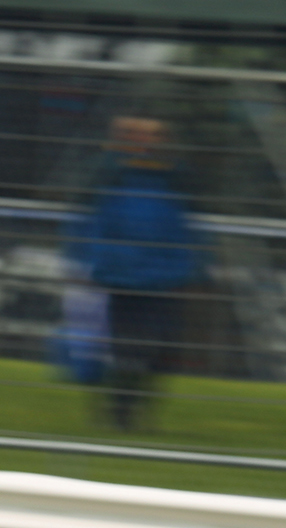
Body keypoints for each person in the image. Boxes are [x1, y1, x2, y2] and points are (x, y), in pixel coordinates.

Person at [65, 117, 203, 430]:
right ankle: (121, 409)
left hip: (164, 277)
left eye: (153, 135)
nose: (145, 141)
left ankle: (131, 405)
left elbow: (191, 226)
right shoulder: (104, 174)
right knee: (127, 347)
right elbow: (82, 220)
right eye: (135, 134)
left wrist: (194, 267)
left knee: (160, 351)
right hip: (118, 275)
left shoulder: (178, 177)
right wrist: (79, 261)